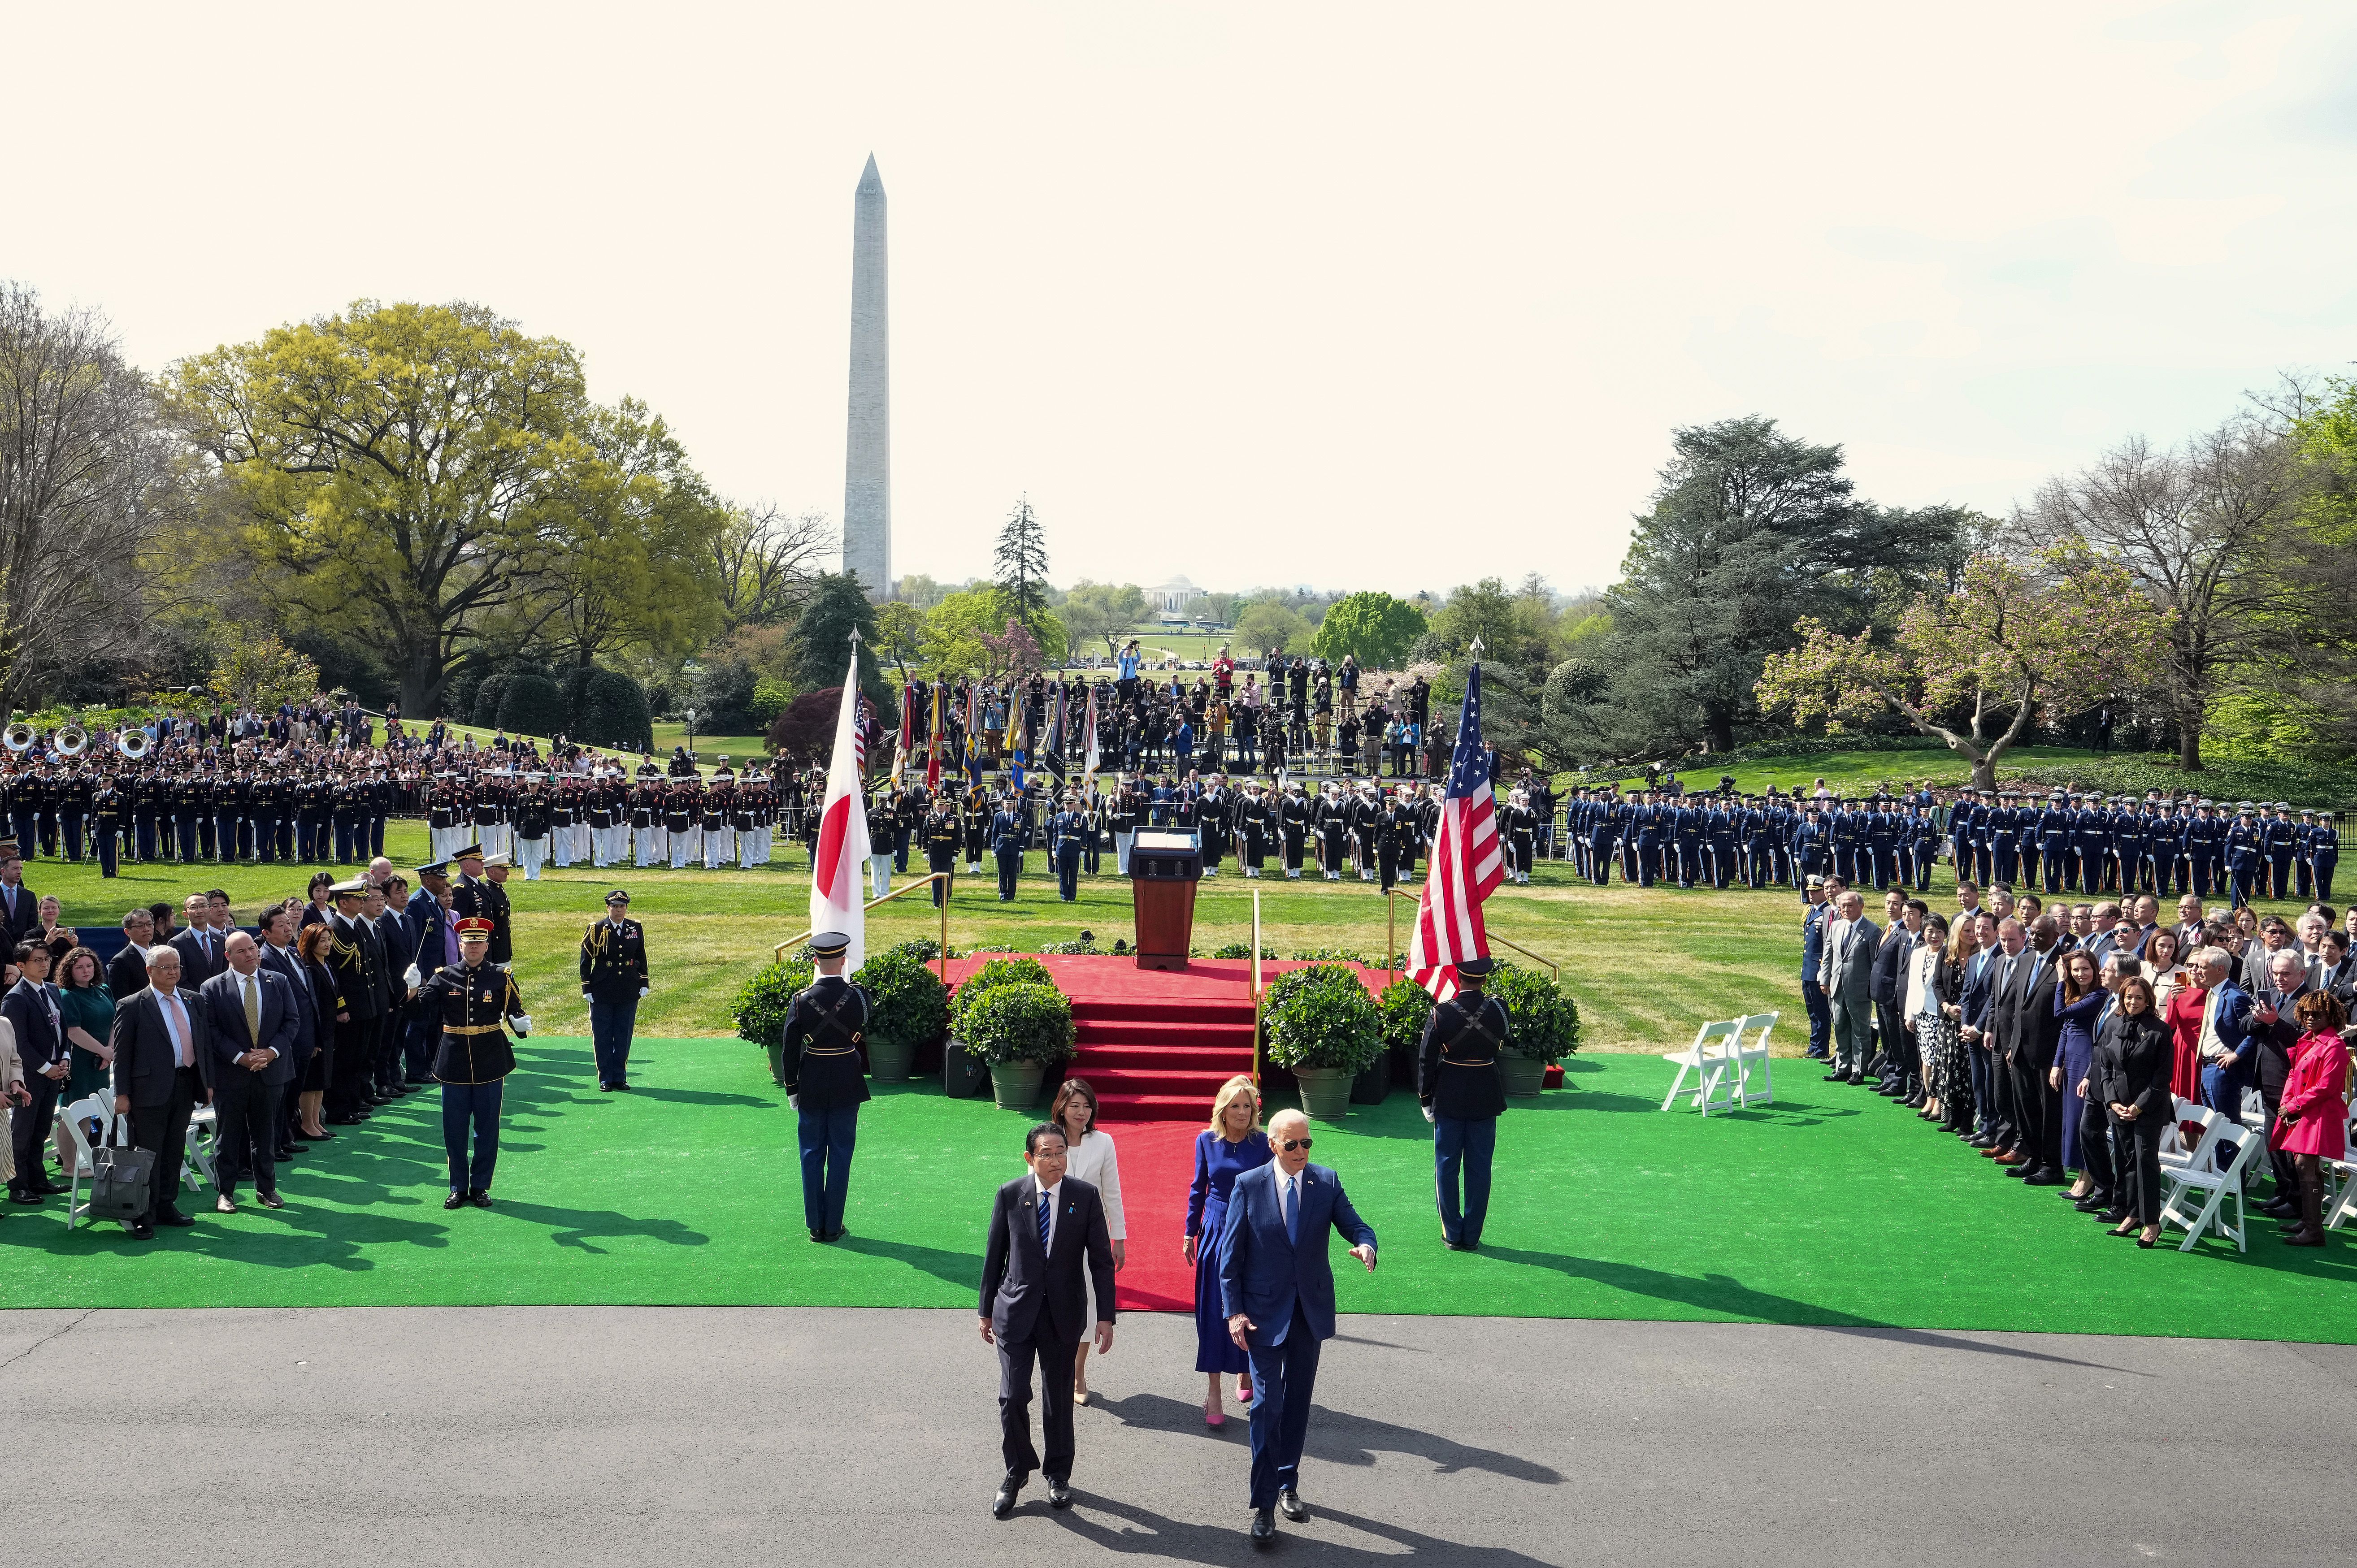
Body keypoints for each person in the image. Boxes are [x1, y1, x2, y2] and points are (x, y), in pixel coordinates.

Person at [1220, 1106, 1378, 1545]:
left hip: (1308, 1315)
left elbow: (1357, 1226)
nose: (1301, 1151)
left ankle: (1288, 1482)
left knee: (1296, 1406)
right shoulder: (1248, 1187)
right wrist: (1234, 1312)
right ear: (1273, 1145)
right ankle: (1264, 1504)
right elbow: (1229, 1259)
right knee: (1265, 1405)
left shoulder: (1324, 1182)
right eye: (1292, 1144)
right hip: (1261, 1316)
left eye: (1307, 1142)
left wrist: (1366, 1246)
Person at [977, 1120, 1117, 1519]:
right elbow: (994, 1257)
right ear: (1030, 1158)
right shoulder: (1010, 1195)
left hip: (1063, 1315)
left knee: (1058, 1401)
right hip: (1015, 1312)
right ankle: (1016, 1471)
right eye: (1047, 1154)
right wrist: (985, 1311)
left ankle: (1058, 1474)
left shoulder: (1084, 1196)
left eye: (1061, 1153)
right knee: (1011, 1397)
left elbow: (1102, 1263)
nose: (1057, 1161)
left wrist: (1105, 1317)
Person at [415, 917, 528, 1209]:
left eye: (479, 942)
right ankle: (457, 1186)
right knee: (454, 1128)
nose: (474, 947)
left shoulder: (501, 976)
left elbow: (516, 1013)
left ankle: (480, 1186)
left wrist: (520, 1024)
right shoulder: (443, 977)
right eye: (469, 942)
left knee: (487, 1127)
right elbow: (417, 1013)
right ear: (460, 945)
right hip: (454, 1060)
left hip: (490, 1058)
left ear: (487, 945)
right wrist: (413, 989)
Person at [106, 946, 208, 1239]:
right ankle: (141, 1213)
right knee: (148, 1154)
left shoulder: (193, 1000)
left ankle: (166, 1205)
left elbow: (203, 1046)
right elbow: (123, 1055)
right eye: (166, 967)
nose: (173, 972)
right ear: (150, 971)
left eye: (176, 966)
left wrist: (208, 1084)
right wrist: (122, 1094)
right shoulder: (133, 1005)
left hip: (185, 1085)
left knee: (175, 1149)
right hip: (148, 1091)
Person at [1187, 1076, 1271, 1426]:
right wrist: (1189, 1232)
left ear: (1254, 1110)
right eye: (1234, 1105)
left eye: (1246, 1106)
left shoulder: (1265, 1143)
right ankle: (1213, 1391)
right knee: (1213, 1307)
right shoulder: (1205, 1141)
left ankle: (1246, 1371)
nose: (1240, 1112)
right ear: (1222, 1109)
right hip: (1217, 1226)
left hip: (1254, 1228)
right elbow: (1197, 1187)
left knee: (1250, 1303)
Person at [196, 931, 297, 1213]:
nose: (250, 954)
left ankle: (267, 1189)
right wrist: (240, 1057)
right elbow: (211, 1031)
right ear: (228, 956)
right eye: (241, 951)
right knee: (228, 1136)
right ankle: (225, 1193)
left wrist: (272, 1052)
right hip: (232, 1075)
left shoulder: (277, 981)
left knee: (266, 1135)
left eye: (252, 948)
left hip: (270, 1072)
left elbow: (291, 1021)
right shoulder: (212, 988)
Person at [781, 931, 869, 1243]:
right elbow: (864, 1027)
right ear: (843, 960)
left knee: (810, 1154)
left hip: (813, 1081)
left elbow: (789, 1049)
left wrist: (792, 1088)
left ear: (816, 961)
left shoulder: (800, 1000)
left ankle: (815, 1225)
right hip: (847, 1078)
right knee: (841, 1154)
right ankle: (834, 1225)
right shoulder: (859, 996)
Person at [1416, 954, 1507, 1250]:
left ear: (1457, 976)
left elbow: (1426, 1059)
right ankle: (1472, 1236)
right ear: (1484, 978)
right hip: (1485, 1092)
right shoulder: (1499, 1008)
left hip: (1450, 1093)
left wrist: (1425, 1098)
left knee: (1446, 1165)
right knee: (1480, 1167)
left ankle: (1452, 1234)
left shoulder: (1441, 1013)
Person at [1049, 1078, 1126, 1404]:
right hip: (1051, 1237)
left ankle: (1078, 1373)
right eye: (1075, 1105)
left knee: (1088, 1307)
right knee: (1054, 1305)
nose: (1081, 1112)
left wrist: (1118, 1238)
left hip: (1088, 1239)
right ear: (1062, 1108)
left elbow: (1112, 1191)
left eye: (1087, 1105)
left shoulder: (1104, 1142)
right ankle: (1059, 1370)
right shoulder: (1047, 1138)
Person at [2091, 973, 2172, 1246]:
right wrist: (2112, 1101)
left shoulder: (2160, 1030)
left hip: (2148, 1108)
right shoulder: (2112, 1024)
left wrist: (2139, 1106)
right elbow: (2105, 1067)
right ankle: (2131, 1214)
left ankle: (2152, 1222)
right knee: (2125, 1161)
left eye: (2139, 998)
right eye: (2128, 997)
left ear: (2148, 1000)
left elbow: (2162, 1077)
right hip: (2118, 1106)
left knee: (2145, 1161)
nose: (2133, 1002)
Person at [2271, 989, 2351, 1247]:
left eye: (2316, 1014)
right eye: (2305, 1013)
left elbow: (2327, 1087)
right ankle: (2309, 1222)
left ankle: (2314, 1230)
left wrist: (2294, 1105)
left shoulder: (2335, 1047)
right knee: (2305, 1166)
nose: (2309, 1018)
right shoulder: (2311, 1040)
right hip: (2305, 1111)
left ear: (2331, 1016)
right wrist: (2287, 1103)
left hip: (2319, 1114)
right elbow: (2295, 1075)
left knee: (2305, 1166)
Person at [3, 943, 65, 1204]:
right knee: (22, 1131)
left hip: (54, 1071)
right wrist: (45, 1068)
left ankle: (38, 1178)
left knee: (41, 1129)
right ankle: (18, 1185)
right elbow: (19, 1043)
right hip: (27, 1078)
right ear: (21, 966)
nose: (44, 964)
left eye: (47, 959)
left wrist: (64, 1059)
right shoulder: (15, 998)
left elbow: (63, 1028)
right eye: (37, 960)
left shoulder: (52, 989)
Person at [580, 889, 650, 1092]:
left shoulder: (635, 928)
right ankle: (605, 1078)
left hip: (628, 989)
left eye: (622, 906)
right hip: (602, 989)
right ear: (608, 907)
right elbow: (586, 960)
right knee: (602, 1035)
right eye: (615, 906)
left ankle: (620, 1076)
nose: (619, 910)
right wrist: (587, 986)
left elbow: (640, 956)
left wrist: (643, 981)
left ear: (626, 908)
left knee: (623, 1034)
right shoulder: (596, 929)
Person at [1819, 890, 1880, 1085]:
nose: (1845, 910)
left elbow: (1875, 964)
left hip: (1860, 990)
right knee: (1840, 1028)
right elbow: (1828, 954)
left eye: (1850, 906)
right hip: (1837, 987)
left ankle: (1858, 1070)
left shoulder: (1872, 930)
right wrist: (1824, 979)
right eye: (1842, 906)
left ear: (1861, 906)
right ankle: (1842, 1067)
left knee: (1860, 1031)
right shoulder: (1836, 927)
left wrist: (1872, 990)